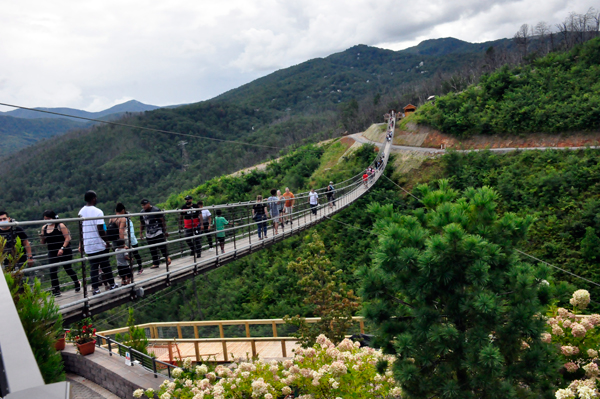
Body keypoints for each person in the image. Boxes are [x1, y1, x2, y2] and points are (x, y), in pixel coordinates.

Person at [78, 191, 117, 295]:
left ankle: (95, 288)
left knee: (93, 267)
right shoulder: (98, 211)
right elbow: (100, 229)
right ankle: (112, 284)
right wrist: (107, 241)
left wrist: (81, 244)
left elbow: (81, 230)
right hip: (98, 244)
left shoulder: (81, 212)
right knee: (105, 265)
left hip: (88, 245)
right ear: (93, 198)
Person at [40, 210, 80, 296]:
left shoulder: (60, 225)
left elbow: (67, 238)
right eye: (45, 219)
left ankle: (76, 282)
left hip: (64, 250)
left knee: (68, 268)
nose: (47, 220)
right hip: (52, 251)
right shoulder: (44, 228)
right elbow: (43, 242)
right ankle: (56, 290)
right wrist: (42, 237)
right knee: (52, 271)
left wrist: (62, 248)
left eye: (48, 218)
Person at [140, 199, 171, 269]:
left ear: (148, 203)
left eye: (145, 205)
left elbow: (162, 221)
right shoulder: (142, 212)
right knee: (152, 249)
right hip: (149, 233)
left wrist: (165, 231)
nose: (144, 206)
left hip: (158, 231)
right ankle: (156, 263)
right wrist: (141, 232)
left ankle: (167, 257)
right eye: (142, 205)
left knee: (162, 246)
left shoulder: (156, 210)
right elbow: (142, 223)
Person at [114, 203, 143, 274]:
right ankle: (131, 270)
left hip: (130, 240)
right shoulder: (123, 219)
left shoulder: (125, 220)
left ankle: (139, 267)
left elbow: (130, 231)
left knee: (134, 254)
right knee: (129, 256)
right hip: (128, 240)